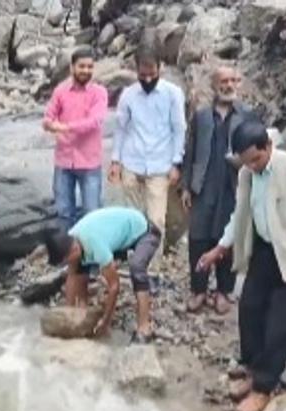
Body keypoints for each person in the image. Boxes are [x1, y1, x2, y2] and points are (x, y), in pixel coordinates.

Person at [198, 119, 286, 411]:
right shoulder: (248, 173)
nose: (253, 166)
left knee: (279, 323)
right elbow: (239, 215)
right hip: (263, 249)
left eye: (257, 159)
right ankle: (252, 367)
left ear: (268, 146)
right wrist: (219, 248)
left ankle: (264, 386)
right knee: (249, 309)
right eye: (247, 162)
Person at [180, 66, 251, 315]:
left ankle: (223, 291)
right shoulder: (201, 116)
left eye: (233, 80)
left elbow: (258, 148)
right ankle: (199, 290)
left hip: (233, 186)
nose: (229, 85)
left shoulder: (247, 115)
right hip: (203, 185)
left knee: (227, 240)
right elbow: (189, 152)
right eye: (223, 81)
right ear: (213, 85)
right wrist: (186, 186)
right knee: (198, 239)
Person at [108, 46, 187, 267]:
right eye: (143, 75)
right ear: (136, 71)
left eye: (152, 73)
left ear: (160, 68)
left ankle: (153, 264)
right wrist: (116, 161)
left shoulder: (173, 93)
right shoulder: (129, 95)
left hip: (161, 163)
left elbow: (179, 128)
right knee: (132, 216)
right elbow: (121, 128)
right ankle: (134, 258)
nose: (148, 78)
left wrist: (176, 163)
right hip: (132, 161)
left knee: (156, 218)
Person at [45, 206, 161, 343]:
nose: (66, 263)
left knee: (136, 268)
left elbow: (114, 286)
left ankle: (144, 327)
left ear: (73, 250)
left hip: (146, 232)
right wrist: (69, 314)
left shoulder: (95, 244)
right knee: (80, 266)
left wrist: (105, 321)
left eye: (66, 260)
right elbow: (72, 276)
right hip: (118, 235)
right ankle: (83, 307)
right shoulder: (71, 237)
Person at [43, 47, 109, 230]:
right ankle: (68, 255)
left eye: (90, 67)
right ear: (72, 67)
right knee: (64, 213)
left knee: (92, 214)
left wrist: (65, 127)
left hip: (89, 163)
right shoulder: (61, 91)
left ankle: (92, 256)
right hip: (64, 161)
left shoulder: (99, 93)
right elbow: (48, 116)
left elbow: (94, 122)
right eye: (82, 66)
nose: (86, 71)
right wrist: (49, 124)